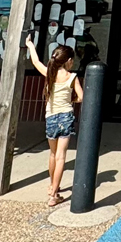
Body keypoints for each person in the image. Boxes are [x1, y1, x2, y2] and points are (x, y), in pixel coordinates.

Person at [25, 36, 83, 208]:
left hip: (50, 117)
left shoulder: (49, 73)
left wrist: (30, 44)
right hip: (65, 116)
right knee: (61, 157)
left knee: (52, 154)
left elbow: (35, 61)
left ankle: (53, 187)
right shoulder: (72, 77)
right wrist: (71, 99)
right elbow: (81, 97)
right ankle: (53, 196)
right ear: (69, 61)